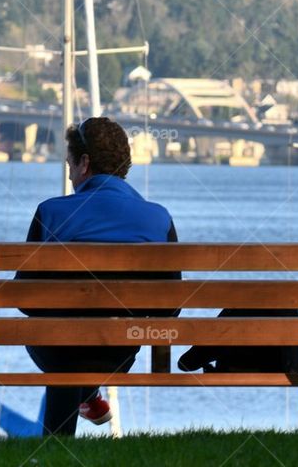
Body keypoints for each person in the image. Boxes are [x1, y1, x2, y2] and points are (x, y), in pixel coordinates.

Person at [17, 116, 179, 436]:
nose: (69, 172)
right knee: (77, 349)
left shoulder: (51, 212)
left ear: (85, 163)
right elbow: (170, 306)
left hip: (57, 348)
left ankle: (60, 439)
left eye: (70, 164)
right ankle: (88, 394)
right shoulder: (158, 217)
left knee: (54, 340)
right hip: (120, 349)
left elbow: (25, 298)